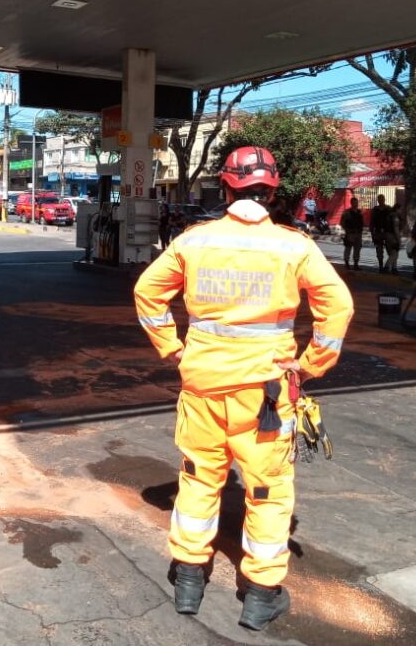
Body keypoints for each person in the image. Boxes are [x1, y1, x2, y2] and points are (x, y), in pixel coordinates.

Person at [133, 146, 354, 631]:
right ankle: (260, 596)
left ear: (226, 186)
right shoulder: (295, 246)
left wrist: (172, 348)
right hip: (268, 394)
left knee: (197, 479)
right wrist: (310, 364)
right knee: (268, 492)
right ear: (273, 189)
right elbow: (337, 306)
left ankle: (189, 581)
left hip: (203, 387)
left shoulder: (194, 242)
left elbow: (148, 292)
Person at [369, 195, 398, 273]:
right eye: (379, 199)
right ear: (378, 200)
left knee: (390, 250)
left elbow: (394, 219)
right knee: (379, 251)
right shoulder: (375, 210)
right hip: (378, 232)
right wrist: (372, 234)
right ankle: (381, 267)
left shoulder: (388, 209)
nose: (381, 200)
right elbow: (372, 223)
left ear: (384, 200)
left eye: (382, 199)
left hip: (387, 232)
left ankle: (392, 267)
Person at [340, 197, 364, 270]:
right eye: (354, 202)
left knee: (357, 249)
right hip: (350, 233)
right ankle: (347, 263)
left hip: (358, 233)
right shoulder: (347, 212)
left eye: (356, 202)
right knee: (348, 248)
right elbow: (342, 222)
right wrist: (347, 230)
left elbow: (362, 222)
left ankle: (356, 264)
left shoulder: (360, 212)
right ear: (351, 203)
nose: (356, 204)